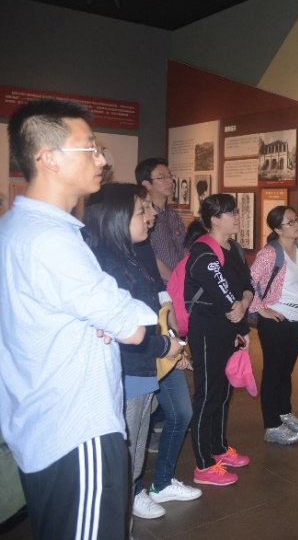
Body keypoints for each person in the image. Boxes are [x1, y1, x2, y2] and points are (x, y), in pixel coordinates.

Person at [0, 98, 156, 539]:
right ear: (48, 158)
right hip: (76, 429)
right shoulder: (51, 240)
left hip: (41, 425)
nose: (102, 160)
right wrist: (113, 317)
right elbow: (135, 326)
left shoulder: (15, 227)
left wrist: (102, 316)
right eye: (90, 148)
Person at [82, 184, 185, 526]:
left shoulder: (128, 255)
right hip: (127, 371)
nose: (151, 215)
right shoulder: (107, 264)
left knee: (134, 456)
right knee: (123, 461)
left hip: (141, 369)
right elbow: (126, 330)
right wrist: (165, 346)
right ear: (117, 218)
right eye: (142, 210)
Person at [133, 190, 203, 508]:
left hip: (162, 341)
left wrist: (176, 339)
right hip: (138, 351)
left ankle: (161, 482)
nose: (152, 214)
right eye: (144, 208)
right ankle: (134, 492)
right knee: (134, 427)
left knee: (180, 412)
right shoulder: (110, 253)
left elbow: (161, 295)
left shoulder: (143, 245)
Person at [185, 194, 254, 486]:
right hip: (207, 330)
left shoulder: (233, 247)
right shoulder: (203, 251)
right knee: (208, 394)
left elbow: (247, 284)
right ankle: (203, 464)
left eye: (236, 212)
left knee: (224, 392)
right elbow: (222, 293)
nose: (237, 217)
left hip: (230, 328)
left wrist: (244, 306)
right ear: (214, 219)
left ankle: (218, 448)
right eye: (231, 213)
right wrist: (239, 315)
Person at [249, 206, 298, 445]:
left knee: (286, 371)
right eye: (290, 222)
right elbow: (249, 281)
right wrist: (261, 309)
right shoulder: (269, 253)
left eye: (297, 219)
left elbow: (292, 279)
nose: (297, 224)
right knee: (273, 372)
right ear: (277, 229)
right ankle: (272, 425)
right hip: (276, 320)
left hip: (296, 319)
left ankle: (284, 412)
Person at [137, 157, 187, 283]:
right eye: (162, 177)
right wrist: (176, 282)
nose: (169, 181)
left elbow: (185, 247)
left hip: (182, 284)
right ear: (147, 184)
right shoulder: (144, 218)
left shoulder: (173, 215)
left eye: (169, 176)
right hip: (162, 286)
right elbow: (149, 257)